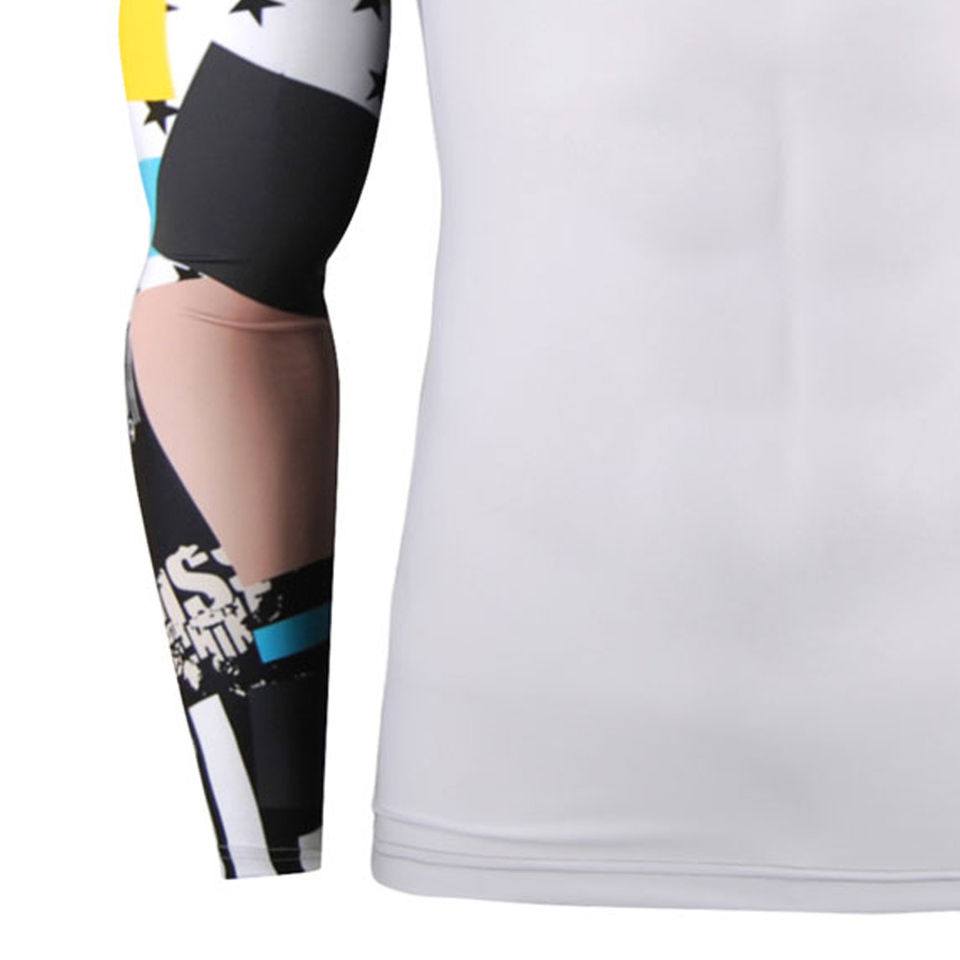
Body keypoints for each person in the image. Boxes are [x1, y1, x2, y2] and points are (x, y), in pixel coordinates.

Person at [119, 0, 960, 910]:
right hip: (515, 777)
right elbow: (219, 286)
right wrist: (270, 852)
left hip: (514, 771)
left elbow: (216, 298)